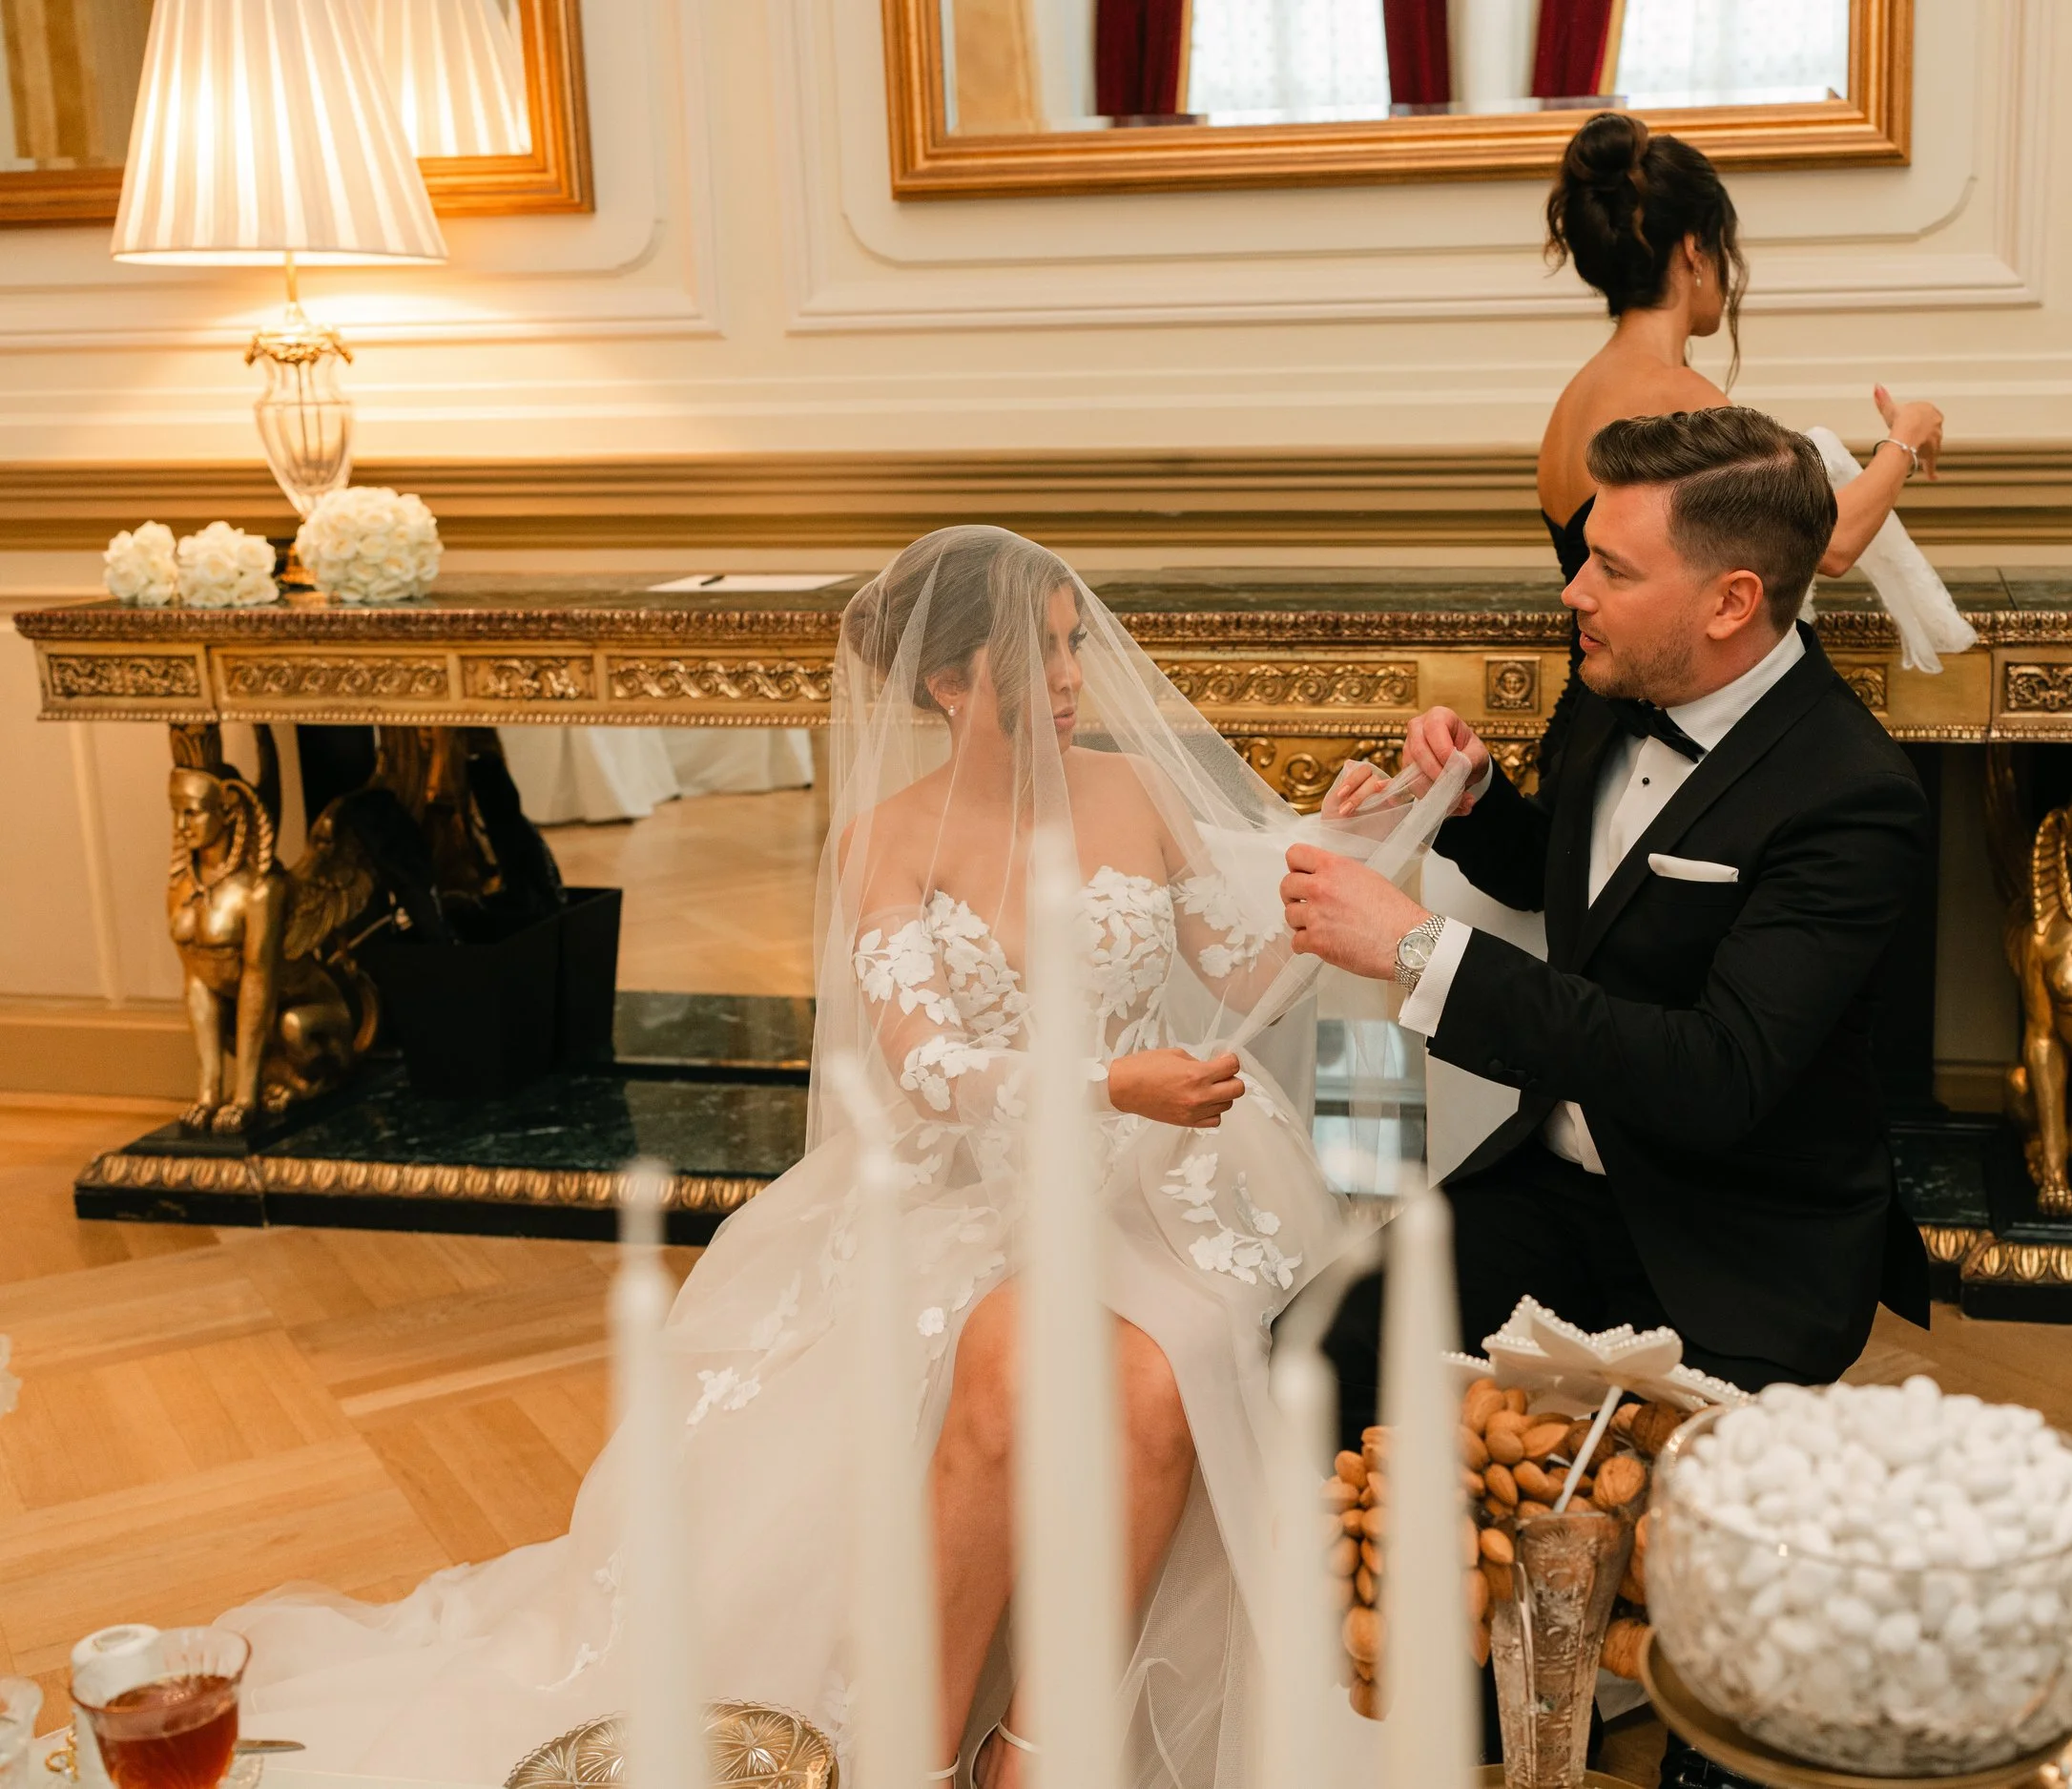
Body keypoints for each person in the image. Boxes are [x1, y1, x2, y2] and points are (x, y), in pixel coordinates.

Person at [220, 527, 1465, 1789]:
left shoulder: (1131, 791)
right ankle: (918, 1751)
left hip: (1179, 1174)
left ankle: (1036, 1749)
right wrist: (1105, 1081)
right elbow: (928, 1067)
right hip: (986, 1179)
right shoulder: (888, 837)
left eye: (1077, 642)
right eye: (1042, 653)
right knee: (1006, 1378)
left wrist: (1353, 847)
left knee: (1160, 1379)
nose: (1078, 675)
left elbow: (1246, 969)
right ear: (946, 684)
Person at [1284, 406, 1936, 1404]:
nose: (1574, 591)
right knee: (1312, 1359)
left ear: (1732, 601)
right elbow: (1587, 883)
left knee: (1628, 1526)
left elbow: (1718, 1073)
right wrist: (1475, 804)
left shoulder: (1853, 796)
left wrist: (1419, 948)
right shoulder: (1613, 685)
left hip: (1737, 1252)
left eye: (1614, 572)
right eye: (1586, 555)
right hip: (1549, 1189)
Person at [1536, 112, 1947, 768]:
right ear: (1696, 249)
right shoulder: (1675, 396)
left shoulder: (1577, 395)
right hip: (1658, 744)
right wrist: (1904, 436)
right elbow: (1827, 543)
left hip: (1588, 733)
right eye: (1723, 249)